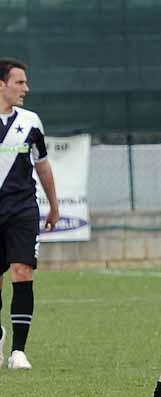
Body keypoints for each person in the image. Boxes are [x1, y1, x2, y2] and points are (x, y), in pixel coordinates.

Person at [0, 58, 59, 369]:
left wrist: (54, 205)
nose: (26, 88)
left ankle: (18, 352)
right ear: (1, 84)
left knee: (22, 271)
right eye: (20, 82)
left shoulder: (31, 122)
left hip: (23, 208)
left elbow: (43, 165)